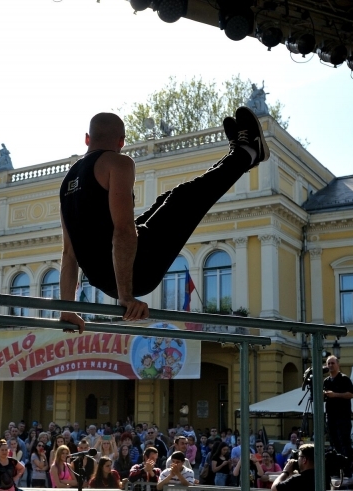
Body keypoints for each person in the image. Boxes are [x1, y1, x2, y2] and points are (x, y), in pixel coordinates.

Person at [58, 107, 268, 332]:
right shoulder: (117, 163)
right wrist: (126, 296)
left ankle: (238, 155)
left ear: (87, 139)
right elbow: (123, 231)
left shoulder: (67, 181)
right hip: (136, 271)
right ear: (121, 141)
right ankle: (248, 152)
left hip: (106, 279)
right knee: (185, 199)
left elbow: (69, 254)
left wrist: (67, 311)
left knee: (168, 199)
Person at [323, 355, 353, 462]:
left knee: (344, 442)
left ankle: (347, 465)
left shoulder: (344, 379)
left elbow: (351, 394)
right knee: (333, 442)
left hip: (343, 416)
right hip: (330, 415)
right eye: (329, 363)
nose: (330, 365)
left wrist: (335, 395)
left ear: (338, 364)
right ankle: (336, 464)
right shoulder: (326, 381)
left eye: (333, 363)